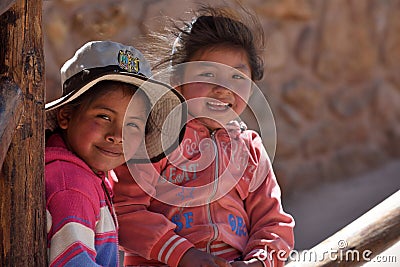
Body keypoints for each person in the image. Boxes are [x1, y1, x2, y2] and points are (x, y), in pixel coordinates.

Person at [113, 4, 295, 267]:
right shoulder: (156, 138)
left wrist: (259, 262)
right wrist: (184, 255)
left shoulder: (250, 151)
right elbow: (126, 211)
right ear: (178, 79)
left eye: (237, 76)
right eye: (208, 74)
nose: (223, 88)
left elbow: (273, 223)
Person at [45, 40, 186, 267]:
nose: (117, 135)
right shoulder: (71, 186)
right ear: (66, 116)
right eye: (104, 117)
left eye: (132, 124)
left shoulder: (87, 177)